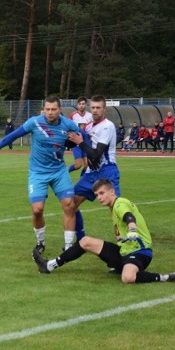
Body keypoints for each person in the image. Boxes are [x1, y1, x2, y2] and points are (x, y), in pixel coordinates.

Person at [33, 179, 175, 284]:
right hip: (124, 251)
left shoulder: (120, 204)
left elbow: (128, 216)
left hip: (141, 252)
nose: (99, 198)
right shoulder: (113, 207)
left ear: (112, 192)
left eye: (101, 193)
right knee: (85, 241)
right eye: (96, 195)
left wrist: (132, 228)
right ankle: (49, 265)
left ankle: (166, 277)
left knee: (127, 278)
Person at [0, 95, 81, 255]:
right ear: (44, 110)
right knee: (37, 210)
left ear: (60, 110)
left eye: (53, 109)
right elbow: (14, 135)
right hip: (38, 173)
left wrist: (83, 147)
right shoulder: (35, 122)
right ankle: (40, 243)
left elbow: (83, 137)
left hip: (59, 171)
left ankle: (69, 247)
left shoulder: (69, 124)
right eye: (48, 109)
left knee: (69, 205)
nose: (50, 113)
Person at [66, 95, 120, 242]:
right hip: (91, 173)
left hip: (107, 171)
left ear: (104, 109)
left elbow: (96, 153)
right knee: (71, 204)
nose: (95, 110)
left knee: (116, 208)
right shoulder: (89, 126)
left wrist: (81, 143)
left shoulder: (107, 126)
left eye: (98, 107)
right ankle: (81, 240)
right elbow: (81, 144)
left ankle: (125, 242)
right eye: (93, 107)